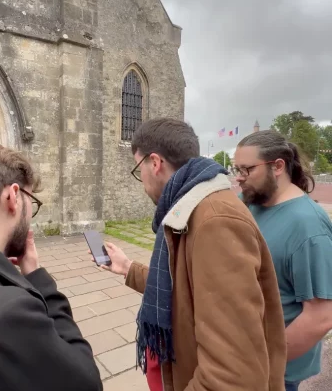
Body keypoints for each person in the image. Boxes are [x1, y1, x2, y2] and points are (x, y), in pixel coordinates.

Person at [95, 118, 287, 390]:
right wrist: (128, 268)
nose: (142, 181)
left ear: (155, 163)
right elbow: (182, 288)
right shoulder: (191, 206)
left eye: (139, 170)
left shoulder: (214, 221)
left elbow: (232, 376)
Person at [0, 143, 102, 391]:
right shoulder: (9, 313)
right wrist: (38, 278)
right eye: (30, 200)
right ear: (12, 197)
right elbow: (87, 382)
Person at [233, 130, 332, 391]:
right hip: (239, 356)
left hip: (273, 373)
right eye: (236, 169)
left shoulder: (308, 227)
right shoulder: (251, 201)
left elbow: (321, 316)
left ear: (278, 166)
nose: (239, 178)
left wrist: (264, 361)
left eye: (246, 170)